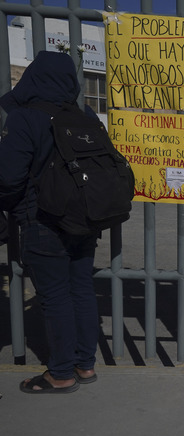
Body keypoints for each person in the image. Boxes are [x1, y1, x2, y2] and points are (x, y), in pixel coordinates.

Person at [0, 51, 100, 393]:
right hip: (86, 219)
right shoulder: (85, 114)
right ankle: (85, 365)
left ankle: (60, 373)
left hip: (42, 220)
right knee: (81, 290)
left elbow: (8, 178)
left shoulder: (24, 117)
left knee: (55, 296)